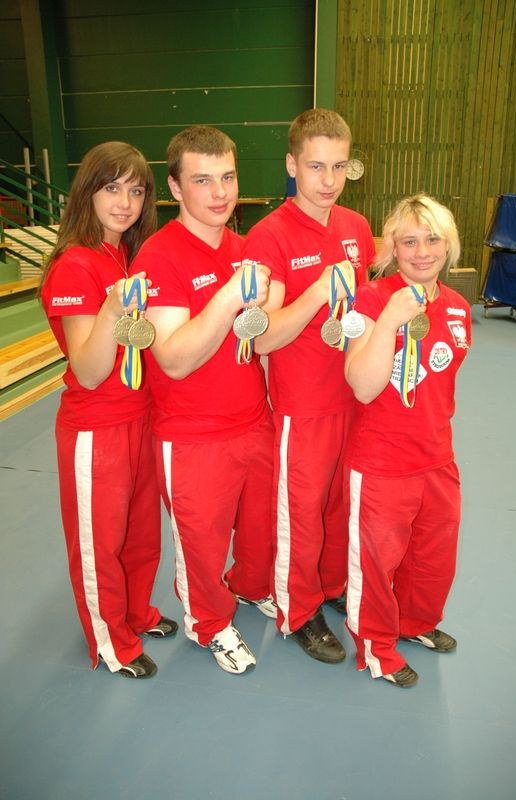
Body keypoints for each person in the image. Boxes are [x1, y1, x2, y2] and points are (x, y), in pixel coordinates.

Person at [132, 125, 275, 675]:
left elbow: (259, 340)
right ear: (174, 187)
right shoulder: (159, 255)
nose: (220, 193)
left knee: (261, 531)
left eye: (228, 177)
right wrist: (225, 298)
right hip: (192, 435)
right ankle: (209, 622)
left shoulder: (245, 249)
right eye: (203, 180)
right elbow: (172, 358)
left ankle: (249, 585)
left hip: (253, 422)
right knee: (203, 543)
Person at [242, 108, 376, 663]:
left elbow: (362, 312)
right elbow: (265, 338)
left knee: (342, 505)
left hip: (354, 396)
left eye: (339, 166)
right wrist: (317, 293)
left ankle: (332, 585)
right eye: (316, 166)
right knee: (300, 509)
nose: (328, 180)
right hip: (302, 405)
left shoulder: (356, 228)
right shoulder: (267, 236)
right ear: (292, 164)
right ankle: (297, 608)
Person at [40, 142, 178, 679]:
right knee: (100, 541)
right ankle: (110, 640)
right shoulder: (75, 266)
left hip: (141, 418)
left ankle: (136, 614)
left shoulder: (127, 255)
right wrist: (112, 306)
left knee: (141, 534)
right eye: (111, 187)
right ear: (88, 192)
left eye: (136, 190)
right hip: (96, 429)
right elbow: (90, 368)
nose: (125, 202)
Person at [343, 193, 472, 687]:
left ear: (448, 245)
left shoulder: (458, 308)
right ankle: (375, 646)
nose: (422, 251)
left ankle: (415, 624)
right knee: (377, 563)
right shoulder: (371, 298)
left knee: (433, 556)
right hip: (381, 462)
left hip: (437, 458)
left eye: (433, 239)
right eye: (410, 241)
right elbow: (363, 384)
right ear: (392, 248)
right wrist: (392, 319)